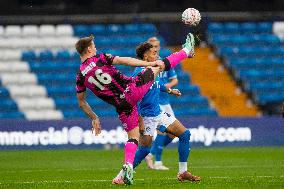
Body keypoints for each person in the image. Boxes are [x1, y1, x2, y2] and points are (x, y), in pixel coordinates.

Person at [75, 34, 195, 185]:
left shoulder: (80, 76)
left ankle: (126, 169)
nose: (95, 47)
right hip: (132, 91)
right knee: (159, 65)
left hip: (123, 106)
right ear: (88, 49)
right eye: (93, 45)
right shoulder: (100, 58)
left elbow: (81, 102)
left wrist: (94, 117)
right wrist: (149, 65)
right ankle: (186, 50)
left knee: (133, 139)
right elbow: (125, 60)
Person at [112, 41, 201, 185]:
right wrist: (140, 121)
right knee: (145, 150)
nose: (157, 55)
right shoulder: (140, 73)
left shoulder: (154, 70)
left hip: (158, 113)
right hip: (146, 117)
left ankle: (182, 171)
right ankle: (120, 176)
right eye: (154, 53)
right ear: (145, 56)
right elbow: (134, 100)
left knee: (185, 134)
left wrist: (170, 90)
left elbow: (157, 85)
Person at [144, 37, 178, 170]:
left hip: (166, 102)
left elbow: (174, 80)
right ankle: (158, 162)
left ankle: (151, 153)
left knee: (173, 133)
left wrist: (167, 88)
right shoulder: (145, 64)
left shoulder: (165, 62)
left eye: (157, 45)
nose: (155, 48)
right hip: (155, 103)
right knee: (162, 132)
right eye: (152, 46)